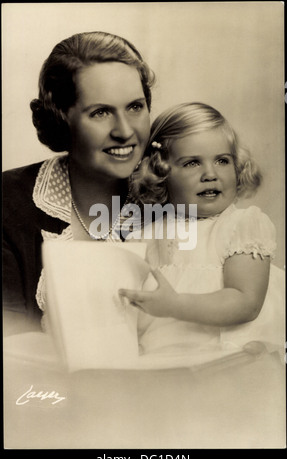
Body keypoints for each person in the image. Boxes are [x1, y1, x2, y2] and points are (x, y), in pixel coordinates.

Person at [3, 31, 155, 334]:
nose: (125, 131)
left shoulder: (171, 199)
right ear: (61, 119)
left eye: (135, 107)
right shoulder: (8, 202)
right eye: (100, 112)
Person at [119, 102, 285, 356]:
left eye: (222, 160)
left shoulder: (242, 226)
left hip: (233, 358)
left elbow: (246, 302)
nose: (210, 174)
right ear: (161, 172)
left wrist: (175, 305)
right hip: (169, 361)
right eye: (192, 163)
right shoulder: (145, 237)